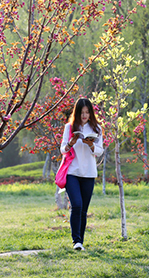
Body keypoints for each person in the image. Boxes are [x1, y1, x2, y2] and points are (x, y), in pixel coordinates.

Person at [60, 98, 104, 251]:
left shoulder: (97, 128)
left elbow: (100, 151)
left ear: (91, 113)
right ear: (77, 113)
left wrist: (91, 145)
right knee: (76, 205)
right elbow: (63, 149)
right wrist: (71, 143)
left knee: (84, 210)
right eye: (82, 112)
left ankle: (81, 242)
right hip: (72, 172)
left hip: (89, 173)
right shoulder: (69, 127)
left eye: (87, 112)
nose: (84, 115)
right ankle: (76, 241)